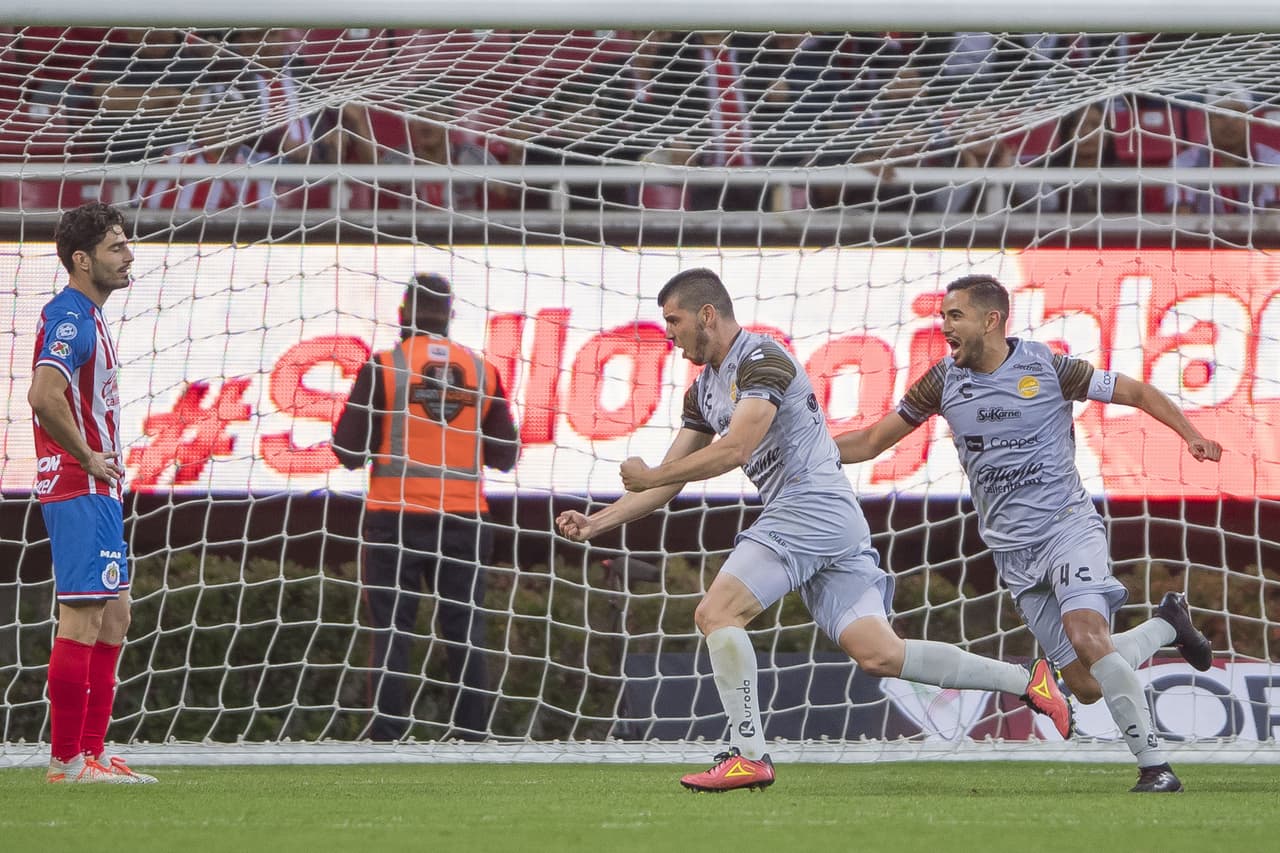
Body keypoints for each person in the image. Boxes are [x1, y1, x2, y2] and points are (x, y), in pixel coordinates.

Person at [555, 268, 1073, 793]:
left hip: (809, 503)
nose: (670, 332)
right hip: (829, 518)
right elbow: (662, 487)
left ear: (706, 314)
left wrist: (651, 474)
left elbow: (736, 449)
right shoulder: (704, 392)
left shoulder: (763, 360)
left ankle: (748, 754)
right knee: (881, 654)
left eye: (674, 320)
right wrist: (598, 520)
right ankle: (1026, 680)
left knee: (717, 612)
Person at [835, 274, 1221, 793]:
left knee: (1088, 634)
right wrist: (802, 451)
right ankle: (1167, 627)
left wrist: (1192, 435)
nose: (944, 325)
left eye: (955, 316)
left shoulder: (1048, 366)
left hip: (1067, 527)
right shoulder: (941, 380)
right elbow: (872, 441)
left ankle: (1157, 768)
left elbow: (1134, 390)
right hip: (1012, 553)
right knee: (1085, 684)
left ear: (991, 321)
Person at [332, 274, 519, 741]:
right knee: (466, 631)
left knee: (392, 630)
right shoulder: (481, 371)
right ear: (451, 316)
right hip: (465, 519)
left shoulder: (384, 366)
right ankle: (472, 736)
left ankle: (388, 734)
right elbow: (505, 455)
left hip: (393, 518)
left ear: (403, 312)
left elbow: (348, 451)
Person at [29, 202, 156, 783]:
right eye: (116, 247)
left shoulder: (89, 315)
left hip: (98, 487)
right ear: (82, 260)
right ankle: (65, 762)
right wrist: (85, 456)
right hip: (80, 483)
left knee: (115, 618)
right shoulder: (70, 318)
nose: (129, 256)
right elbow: (43, 394)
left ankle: (93, 754)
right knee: (82, 617)